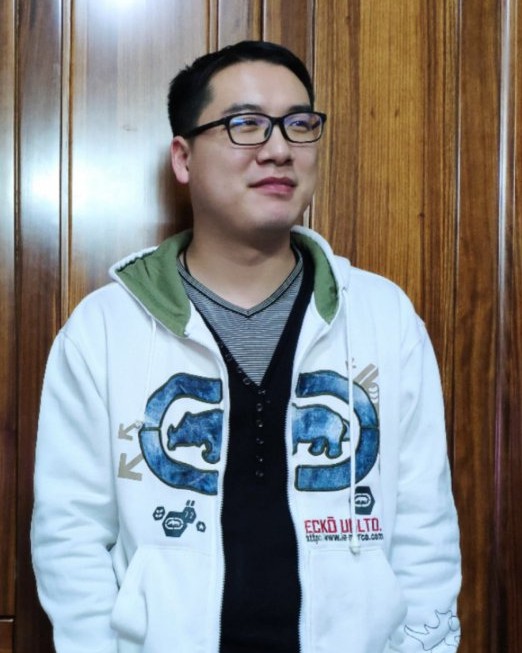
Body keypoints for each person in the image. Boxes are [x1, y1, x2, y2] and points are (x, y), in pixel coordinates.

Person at [31, 40, 461, 653]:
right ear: (183, 158)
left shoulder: (382, 316)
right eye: (246, 124)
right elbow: (70, 536)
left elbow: (425, 527)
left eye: (299, 124)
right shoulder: (104, 329)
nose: (279, 149)